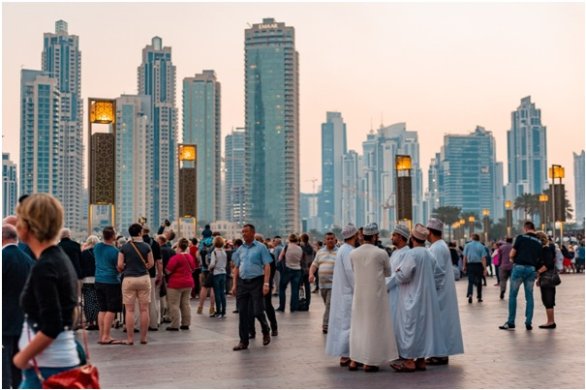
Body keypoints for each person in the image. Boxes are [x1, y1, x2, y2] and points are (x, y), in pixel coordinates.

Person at [12, 194, 80, 388]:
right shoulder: (59, 258)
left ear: (28, 226)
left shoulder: (45, 266)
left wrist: (20, 359)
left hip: (46, 369)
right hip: (56, 362)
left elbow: (52, 325)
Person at [389, 224, 442, 373]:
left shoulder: (411, 255)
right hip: (426, 299)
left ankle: (409, 361)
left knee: (409, 329)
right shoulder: (429, 254)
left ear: (412, 239)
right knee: (422, 329)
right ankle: (421, 361)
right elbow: (438, 274)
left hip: (411, 298)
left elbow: (404, 276)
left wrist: (398, 271)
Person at [348, 223, 396, 372]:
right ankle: (370, 362)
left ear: (363, 236)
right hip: (375, 296)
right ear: (375, 236)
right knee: (373, 327)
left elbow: (353, 270)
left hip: (359, 295)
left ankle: (354, 360)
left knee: (358, 326)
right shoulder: (381, 253)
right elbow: (388, 273)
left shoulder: (353, 253)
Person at [425, 219, 464, 365]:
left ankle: (440, 353)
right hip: (442, 291)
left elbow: (438, 273)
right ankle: (439, 352)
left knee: (440, 323)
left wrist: (431, 289)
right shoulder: (440, 246)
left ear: (430, 232)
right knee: (441, 323)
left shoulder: (437, 248)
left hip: (439, 292)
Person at [231, 224, 272, 351]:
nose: (244, 234)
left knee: (257, 311)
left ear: (253, 233)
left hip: (257, 282)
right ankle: (243, 341)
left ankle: (265, 329)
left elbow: (267, 265)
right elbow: (236, 267)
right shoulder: (240, 249)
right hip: (243, 283)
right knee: (242, 312)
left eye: (246, 232)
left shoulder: (261, 247)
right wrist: (234, 285)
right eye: (242, 232)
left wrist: (266, 284)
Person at [2, 224, 34, 388]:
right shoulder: (27, 260)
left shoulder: (2, 258)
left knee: (3, 361)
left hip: (4, 317)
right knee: (17, 359)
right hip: (21, 318)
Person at [499, 221, 543, 331]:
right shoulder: (539, 242)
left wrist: (512, 259)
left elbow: (512, 254)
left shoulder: (520, 237)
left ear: (526, 228)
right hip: (531, 269)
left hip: (519, 268)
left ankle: (511, 322)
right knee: (529, 297)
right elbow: (539, 258)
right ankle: (528, 322)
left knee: (513, 295)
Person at [326, 224, 358, 367]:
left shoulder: (343, 250)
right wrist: (359, 289)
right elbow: (351, 273)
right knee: (348, 324)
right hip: (348, 294)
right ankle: (346, 354)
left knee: (344, 324)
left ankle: (345, 354)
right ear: (354, 235)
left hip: (343, 293)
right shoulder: (348, 251)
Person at [118, 223, 154, 344]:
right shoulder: (146, 246)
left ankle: (130, 338)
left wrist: (126, 267)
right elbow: (151, 263)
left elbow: (119, 265)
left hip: (129, 279)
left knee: (129, 310)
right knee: (144, 310)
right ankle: (143, 338)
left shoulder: (124, 247)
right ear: (140, 233)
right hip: (144, 278)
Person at [385, 223, 410, 362]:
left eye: (394, 235)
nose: (392, 237)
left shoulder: (406, 253)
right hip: (390, 292)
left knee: (399, 322)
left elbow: (397, 275)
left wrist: (384, 286)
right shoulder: (395, 252)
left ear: (400, 237)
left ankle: (400, 351)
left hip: (398, 292)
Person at [94, 226, 124, 345]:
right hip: (111, 281)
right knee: (111, 309)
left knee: (102, 309)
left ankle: (102, 335)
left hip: (98, 280)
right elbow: (119, 267)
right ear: (113, 236)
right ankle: (106, 336)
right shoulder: (115, 251)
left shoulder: (97, 247)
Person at [309, 232, 337, 334]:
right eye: (328, 239)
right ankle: (334, 321)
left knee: (329, 304)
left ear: (335, 240)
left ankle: (326, 325)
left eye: (331, 238)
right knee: (328, 305)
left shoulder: (339, 252)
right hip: (322, 285)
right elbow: (314, 265)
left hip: (334, 285)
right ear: (325, 241)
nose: (330, 240)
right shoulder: (320, 252)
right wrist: (311, 274)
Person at [165, 238, 195, 330]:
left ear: (178, 247)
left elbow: (168, 271)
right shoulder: (190, 257)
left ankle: (175, 325)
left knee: (174, 304)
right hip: (188, 283)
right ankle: (186, 323)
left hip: (176, 284)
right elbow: (193, 268)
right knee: (185, 304)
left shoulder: (176, 258)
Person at [142, 227, 163, 331]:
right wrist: (160, 274)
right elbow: (159, 261)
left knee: (138, 301)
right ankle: (153, 324)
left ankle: (138, 325)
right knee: (152, 299)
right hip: (151, 274)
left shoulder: (133, 243)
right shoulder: (155, 243)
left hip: (137, 274)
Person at [535, 232, 557, 329]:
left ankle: (551, 322)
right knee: (547, 299)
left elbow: (548, 264)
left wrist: (538, 272)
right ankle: (550, 321)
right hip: (546, 277)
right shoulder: (546, 249)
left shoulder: (545, 249)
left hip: (547, 278)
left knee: (548, 299)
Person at [277, 234, 303, 312]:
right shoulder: (300, 248)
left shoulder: (286, 247)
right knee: (295, 290)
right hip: (297, 270)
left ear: (289, 239)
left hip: (287, 270)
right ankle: (293, 307)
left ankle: (282, 307)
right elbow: (301, 259)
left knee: (282, 288)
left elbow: (280, 258)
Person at [80, 235, 99, 330]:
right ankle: (99, 321)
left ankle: (91, 322)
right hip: (98, 279)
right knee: (98, 300)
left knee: (89, 301)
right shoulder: (99, 252)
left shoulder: (84, 253)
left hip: (87, 279)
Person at [463, 234, 487, 303]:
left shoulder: (467, 245)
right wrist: (485, 269)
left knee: (470, 281)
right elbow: (483, 258)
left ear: (472, 238)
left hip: (470, 265)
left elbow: (465, 257)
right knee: (479, 281)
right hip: (479, 265)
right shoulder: (481, 246)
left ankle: (470, 294)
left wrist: (464, 266)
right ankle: (479, 297)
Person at [197, 230, 216, 316]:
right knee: (212, 288)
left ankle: (200, 307)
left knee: (204, 287)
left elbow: (198, 255)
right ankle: (212, 308)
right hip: (213, 268)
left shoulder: (202, 242)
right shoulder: (214, 240)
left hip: (204, 268)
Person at [209, 236, 228, 318]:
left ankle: (218, 311)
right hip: (223, 272)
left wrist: (209, 268)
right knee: (222, 293)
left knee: (217, 293)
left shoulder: (214, 252)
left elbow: (212, 263)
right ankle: (223, 311)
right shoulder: (224, 252)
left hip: (216, 273)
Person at [299, 233, 316, 310]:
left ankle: (300, 301)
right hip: (309, 269)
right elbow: (312, 259)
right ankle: (308, 303)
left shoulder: (300, 247)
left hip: (301, 269)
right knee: (307, 287)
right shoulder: (311, 248)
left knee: (300, 286)